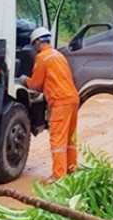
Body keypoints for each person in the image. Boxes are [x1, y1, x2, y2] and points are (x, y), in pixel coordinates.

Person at [23, 27, 80, 183]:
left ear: (37, 43)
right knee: (70, 137)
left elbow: (35, 85)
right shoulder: (59, 55)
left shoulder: (42, 58)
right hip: (73, 99)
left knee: (58, 139)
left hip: (60, 101)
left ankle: (58, 175)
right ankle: (71, 169)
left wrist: (24, 80)